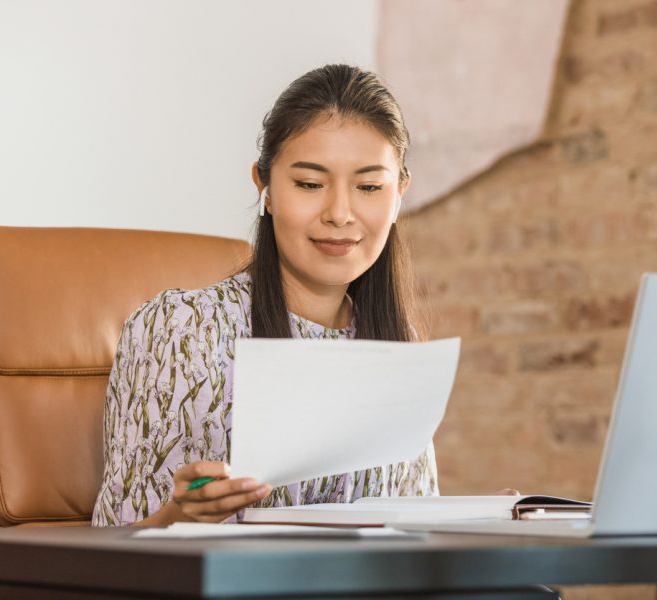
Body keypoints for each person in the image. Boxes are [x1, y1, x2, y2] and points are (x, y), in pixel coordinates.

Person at [92, 63, 436, 527]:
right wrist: (178, 517)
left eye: (369, 187)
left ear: (399, 195)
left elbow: (414, 529)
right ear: (266, 187)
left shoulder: (399, 344)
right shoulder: (181, 329)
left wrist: (480, 520)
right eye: (310, 184)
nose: (339, 213)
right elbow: (109, 552)